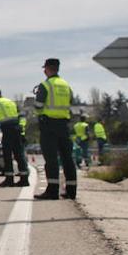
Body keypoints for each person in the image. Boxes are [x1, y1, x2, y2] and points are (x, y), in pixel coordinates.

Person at [34, 57, 77, 199]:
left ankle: (52, 191)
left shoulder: (45, 85)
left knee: (51, 159)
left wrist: (39, 111)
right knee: (67, 158)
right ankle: (71, 191)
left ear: (46, 69)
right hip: (64, 125)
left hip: (49, 125)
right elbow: (71, 101)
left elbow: (38, 106)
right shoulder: (66, 85)